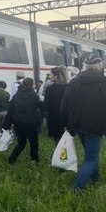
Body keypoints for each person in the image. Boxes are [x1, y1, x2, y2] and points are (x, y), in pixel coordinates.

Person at [60, 55, 106, 192]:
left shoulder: (74, 82)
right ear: (100, 66)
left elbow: (64, 104)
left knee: (91, 154)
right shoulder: (103, 83)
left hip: (77, 125)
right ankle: (77, 188)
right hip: (96, 126)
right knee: (91, 158)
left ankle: (95, 180)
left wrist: (66, 123)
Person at [3, 78, 40, 164]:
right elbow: (39, 107)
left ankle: (12, 158)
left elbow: (10, 108)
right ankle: (34, 159)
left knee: (21, 143)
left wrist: (7, 122)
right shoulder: (34, 95)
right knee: (34, 143)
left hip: (18, 122)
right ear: (32, 85)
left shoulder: (17, 95)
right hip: (31, 123)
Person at [44, 66, 69, 145]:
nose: (49, 76)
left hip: (54, 117)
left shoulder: (50, 89)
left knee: (57, 141)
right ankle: (66, 156)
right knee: (66, 140)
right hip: (67, 118)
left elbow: (46, 105)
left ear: (56, 76)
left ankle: (59, 156)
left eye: (51, 75)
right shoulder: (69, 88)